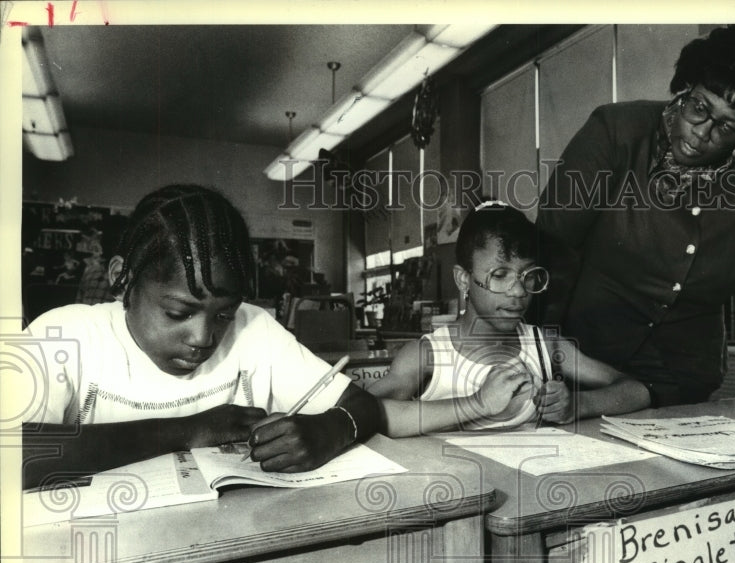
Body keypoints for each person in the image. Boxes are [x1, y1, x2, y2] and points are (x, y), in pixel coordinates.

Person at [21, 184, 377, 489]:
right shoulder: (63, 335)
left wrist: (332, 429)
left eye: (224, 315)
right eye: (178, 313)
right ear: (123, 280)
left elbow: (363, 404)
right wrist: (191, 431)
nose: (203, 337)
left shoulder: (255, 329)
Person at [536, 25, 735, 407]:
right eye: (699, 108)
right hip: (583, 370)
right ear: (685, 87)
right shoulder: (616, 133)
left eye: (727, 127)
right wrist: (535, 350)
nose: (701, 133)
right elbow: (551, 248)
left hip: (682, 381)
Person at [369, 203, 649, 437]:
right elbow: (363, 411)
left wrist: (577, 404)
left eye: (528, 276)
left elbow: (638, 391)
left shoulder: (544, 344)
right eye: (500, 275)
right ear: (463, 279)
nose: (518, 291)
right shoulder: (427, 355)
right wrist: (476, 404)